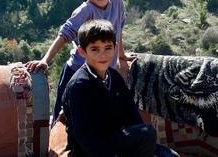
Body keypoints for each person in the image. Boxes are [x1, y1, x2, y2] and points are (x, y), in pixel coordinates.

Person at [25, 0, 135, 126]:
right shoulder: (85, 11)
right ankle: (54, 147)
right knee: (63, 116)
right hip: (76, 71)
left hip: (104, 73)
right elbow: (64, 35)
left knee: (97, 117)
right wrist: (45, 60)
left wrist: (121, 56)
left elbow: (117, 32)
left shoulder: (117, 4)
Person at [62, 19, 179, 156]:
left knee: (169, 154)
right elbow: (84, 136)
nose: (103, 55)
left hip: (116, 140)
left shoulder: (113, 76)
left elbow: (131, 114)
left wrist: (143, 144)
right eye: (95, 49)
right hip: (91, 150)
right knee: (147, 132)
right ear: (82, 51)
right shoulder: (79, 86)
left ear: (115, 47)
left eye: (108, 48)